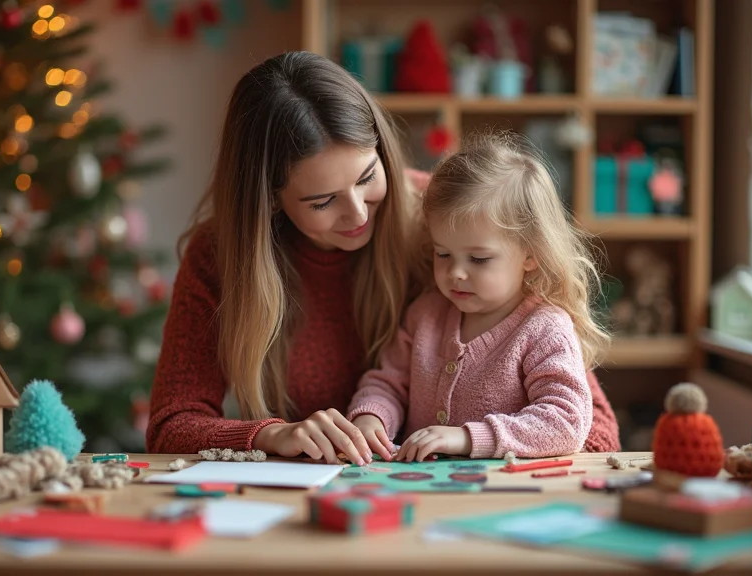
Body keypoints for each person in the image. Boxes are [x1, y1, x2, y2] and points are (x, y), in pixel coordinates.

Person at [145, 52, 620, 463]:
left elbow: (593, 428)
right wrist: (272, 434)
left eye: (367, 177)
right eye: (321, 201)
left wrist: (479, 447)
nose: (357, 214)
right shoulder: (221, 257)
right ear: (270, 201)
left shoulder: (453, 221)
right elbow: (171, 425)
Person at [349, 133, 610, 462]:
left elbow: (565, 422)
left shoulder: (544, 328)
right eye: (442, 254)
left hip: (503, 496)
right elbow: (388, 382)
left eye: (478, 259)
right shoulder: (426, 314)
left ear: (530, 255)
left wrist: (468, 438)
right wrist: (372, 417)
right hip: (421, 488)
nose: (456, 272)